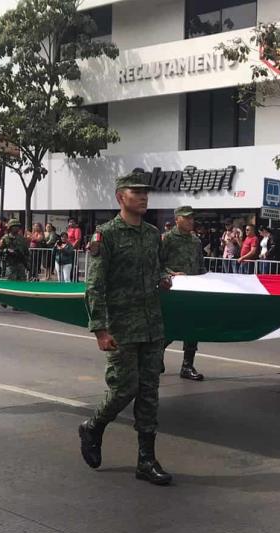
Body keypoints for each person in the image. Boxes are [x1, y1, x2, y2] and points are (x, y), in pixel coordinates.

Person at [78, 172, 173, 486]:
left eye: (147, 193)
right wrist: (100, 330)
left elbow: (158, 266)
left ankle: (146, 460)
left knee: (149, 394)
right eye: (137, 192)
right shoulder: (106, 235)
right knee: (123, 389)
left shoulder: (151, 233)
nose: (144, 197)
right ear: (121, 197)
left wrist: (164, 276)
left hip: (152, 327)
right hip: (121, 328)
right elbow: (94, 286)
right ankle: (93, 426)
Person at [159, 205, 207, 381]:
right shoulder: (168, 239)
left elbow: (201, 265)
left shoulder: (195, 241)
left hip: (193, 291)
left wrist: (206, 281)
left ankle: (187, 366)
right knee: (172, 327)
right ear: (177, 219)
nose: (190, 221)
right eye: (187, 218)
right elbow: (157, 263)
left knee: (192, 328)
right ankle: (157, 356)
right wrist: (170, 274)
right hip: (173, 291)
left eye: (192, 218)